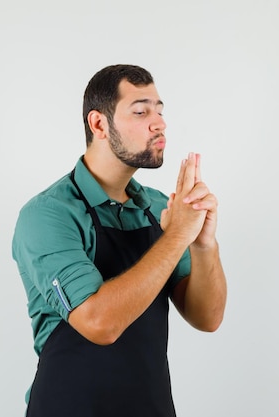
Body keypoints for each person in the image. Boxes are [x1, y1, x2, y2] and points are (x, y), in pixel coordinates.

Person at [12, 64, 227, 417]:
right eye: (141, 111)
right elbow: (99, 324)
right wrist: (176, 235)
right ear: (98, 124)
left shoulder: (157, 207)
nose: (159, 123)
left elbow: (208, 317)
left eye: (160, 110)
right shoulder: (48, 214)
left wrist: (203, 243)